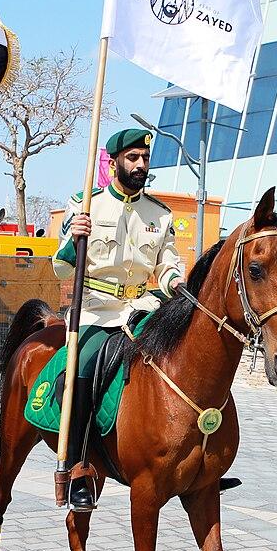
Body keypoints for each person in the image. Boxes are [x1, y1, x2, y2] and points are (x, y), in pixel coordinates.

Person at [56, 127, 185, 511]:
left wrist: (175, 279)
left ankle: (197, 458)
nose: (141, 164)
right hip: (96, 310)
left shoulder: (159, 215)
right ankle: (79, 467)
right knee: (79, 373)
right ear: (114, 164)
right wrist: (73, 239)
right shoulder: (85, 204)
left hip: (143, 309)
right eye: (133, 158)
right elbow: (62, 267)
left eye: (144, 158)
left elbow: (167, 263)